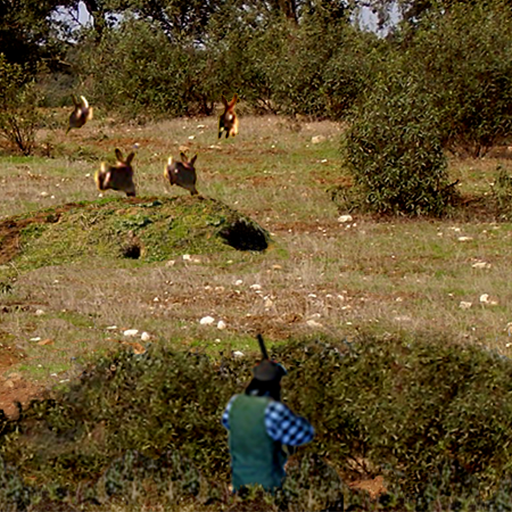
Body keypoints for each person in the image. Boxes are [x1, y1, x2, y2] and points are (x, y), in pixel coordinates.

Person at [221, 357, 314, 493]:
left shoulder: (235, 403)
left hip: (239, 482)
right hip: (269, 484)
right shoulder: (272, 409)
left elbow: (227, 422)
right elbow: (304, 435)